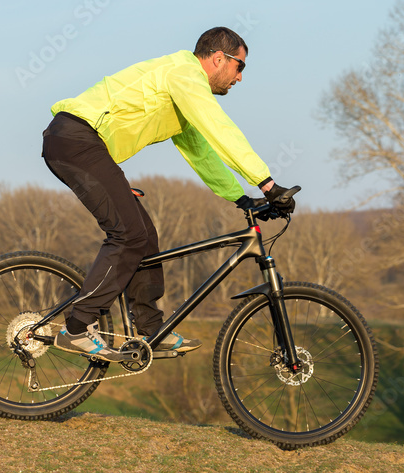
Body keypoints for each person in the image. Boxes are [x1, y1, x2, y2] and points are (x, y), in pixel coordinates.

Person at [41, 26, 295, 361]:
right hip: (75, 139)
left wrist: (242, 198)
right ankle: (76, 328)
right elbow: (219, 127)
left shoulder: (183, 91)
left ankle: (151, 330)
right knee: (128, 235)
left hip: (86, 147)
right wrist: (267, 183)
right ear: (219, 58)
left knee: (144, 236)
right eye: (240, 67)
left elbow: (202, 154)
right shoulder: (184, 74)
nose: (240, 78)